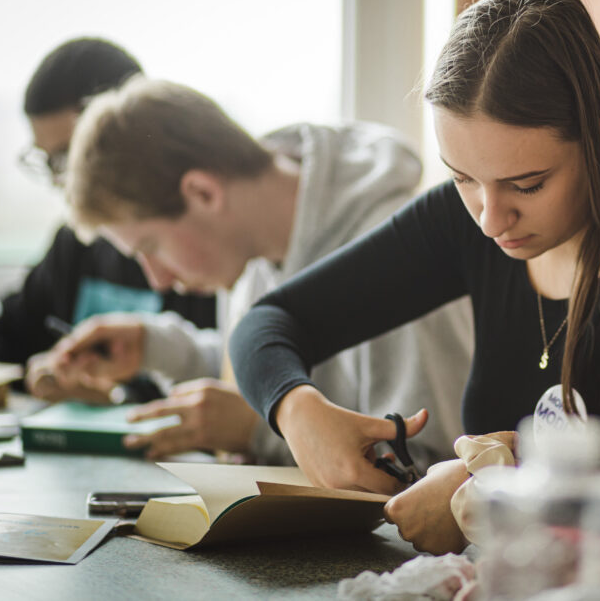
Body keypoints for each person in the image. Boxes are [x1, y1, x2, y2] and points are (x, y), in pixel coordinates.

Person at [229, 0, 600, 554]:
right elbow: (271, 320)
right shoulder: (462, 222)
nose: (491, 220)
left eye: (528, 184)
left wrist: (497, 491)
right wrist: (297, 410)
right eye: (463, 177)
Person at [52, 75, 473, 467]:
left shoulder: (398, 259)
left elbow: (438, 464)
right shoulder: (250, 251)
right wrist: (154, 348)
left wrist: (262, 431)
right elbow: (272, 370)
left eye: (151, 248)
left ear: (203, 193)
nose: (156, 278)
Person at [0, 38, 215, 403]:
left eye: (69, 157)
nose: (60, 182)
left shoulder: (198, 246)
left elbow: (218, 379)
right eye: (49, 162)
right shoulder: (74, 243)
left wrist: (115, 394)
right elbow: (16, 332)